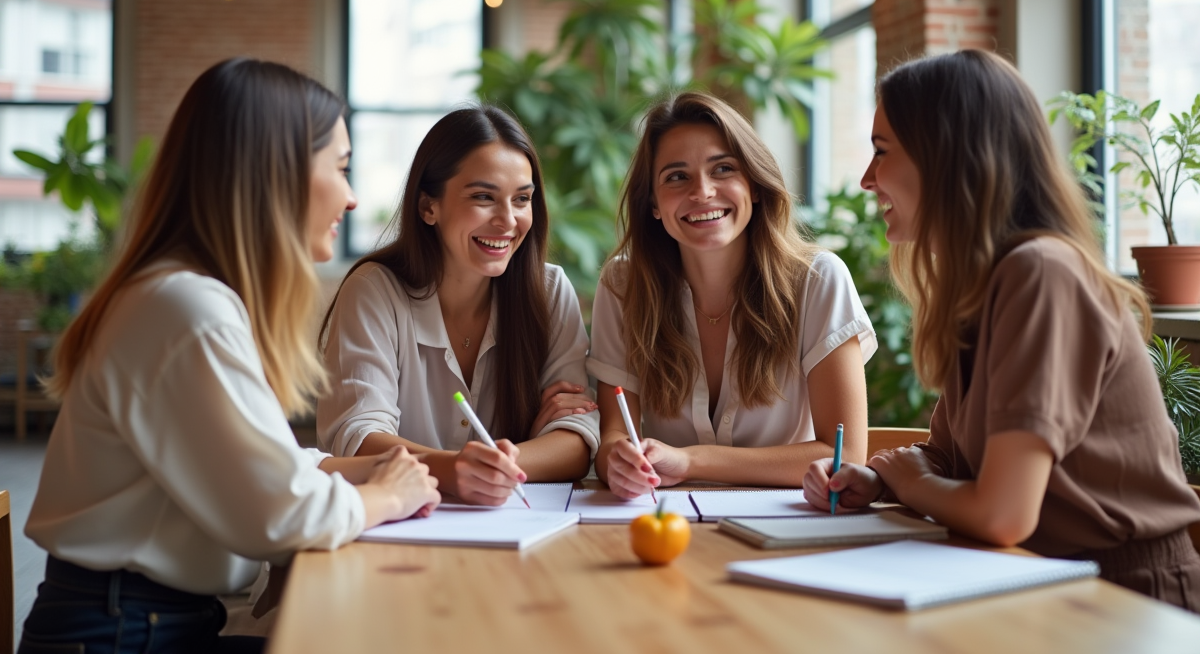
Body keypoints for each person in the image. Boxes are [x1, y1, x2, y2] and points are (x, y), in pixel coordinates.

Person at [19, 59, 441, 654]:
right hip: (124, 635)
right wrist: (385, 497)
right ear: (278, 175)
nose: (350, 198)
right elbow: (278, 517)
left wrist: (370, 472)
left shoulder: (181, 295)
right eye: (341, 169)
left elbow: (266, 471)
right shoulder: (186, 309)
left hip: (140, 623)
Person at [803, 49, 1200, 610]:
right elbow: (952, 459)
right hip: (1038, 583)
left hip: (1127, 602)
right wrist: (881, 480)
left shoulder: (1040, 272)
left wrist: (913, 483)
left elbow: (1002, 514)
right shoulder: (987, 284)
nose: (868, 180)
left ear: (946, 157)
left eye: (881, 152)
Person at [589, 92, 875, 498]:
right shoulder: (622, 286)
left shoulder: (818, 281)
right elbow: (615, 433)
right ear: (653, 202)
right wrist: (618, 460)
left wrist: (691, 462)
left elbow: (845, 457)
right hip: (662, 522)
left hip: (789, 533)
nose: (702, 192)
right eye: (676, 176)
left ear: (754, 186)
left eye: (723, 169)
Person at [317, 107, 598, 506]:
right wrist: (458, 468)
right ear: (429, 207)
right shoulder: (375, 291)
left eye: (522, 199)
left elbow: (575, 439)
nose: (507, 220)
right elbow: (358, 438)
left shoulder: (549, 290)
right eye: (483, 197)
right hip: (401, 529)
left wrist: (500, 464)